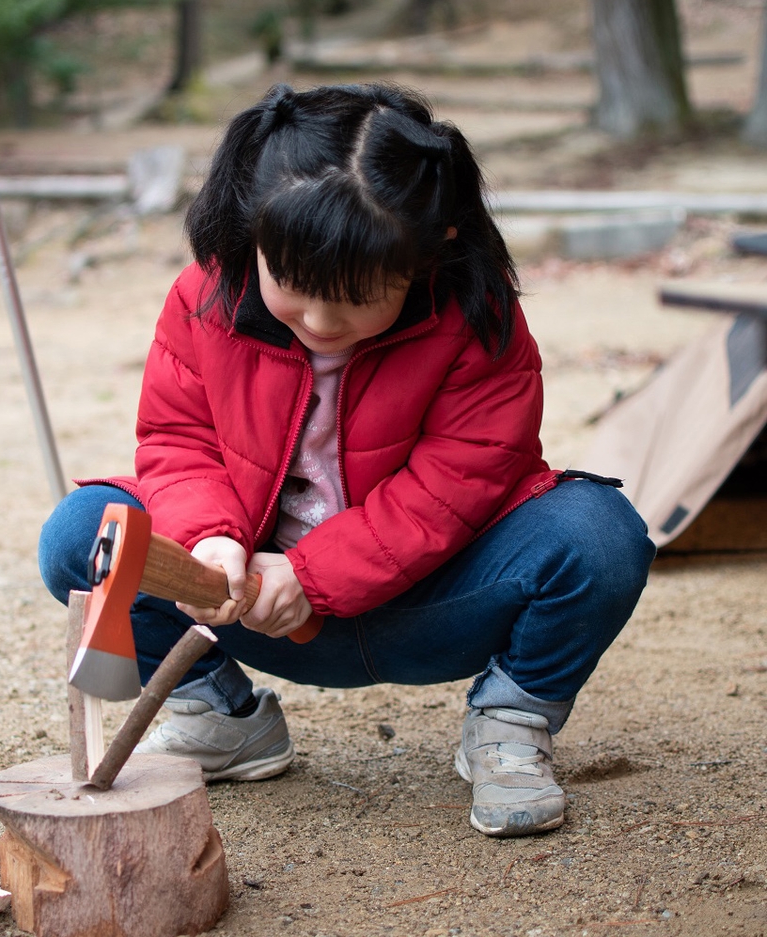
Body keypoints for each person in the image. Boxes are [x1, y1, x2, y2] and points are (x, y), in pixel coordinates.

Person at [39, 82, 656, 838]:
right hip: (251, 604)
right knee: (82, 536)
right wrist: (212, 544)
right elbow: (178, 439)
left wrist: (314, 574)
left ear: (430, 253)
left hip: (429, 604)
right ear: (252, 235)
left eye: (361, 296)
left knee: (601, 536)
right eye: (295, 290)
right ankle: (221, 717)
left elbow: (460, 482)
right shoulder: (208, 296)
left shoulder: (475, 311)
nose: (324, 322)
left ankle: (510, 721)